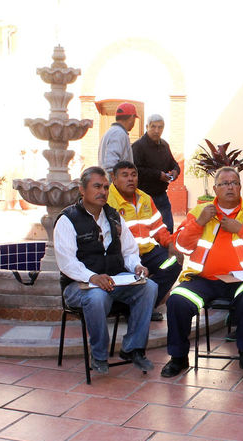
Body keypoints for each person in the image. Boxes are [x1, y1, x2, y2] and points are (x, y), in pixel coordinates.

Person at [161, 167, 243, 377]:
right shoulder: (199, 212)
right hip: (205, 280)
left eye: (234, 183)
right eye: (224, 184)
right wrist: (199, 223)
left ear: (240, 187)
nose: (229, 187)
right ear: (215, 189)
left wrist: (241, 228)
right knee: (177, 299)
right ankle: (178, 357)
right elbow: (181, 246)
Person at [55, 167, 158, 376]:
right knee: (97, 297)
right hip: (78, 285)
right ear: (82, 189)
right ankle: (99, 355)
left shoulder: (113, 216)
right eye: (97, 187)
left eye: (105, 187)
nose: (103, 192)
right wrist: (92, 277)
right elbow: (67, 262)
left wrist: (136, 266)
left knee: (149, 287)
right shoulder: (68, 219)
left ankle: (133, 348)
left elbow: (129, 250)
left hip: (113, 280)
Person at [106, 161, 183, 321]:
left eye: (133, 175)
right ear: (114, 178)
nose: (130, 179)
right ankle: (133, 307)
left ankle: (144, 305)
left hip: (147, 253)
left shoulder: (145, 198)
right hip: (122, 257)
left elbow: (158, 228)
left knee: (173, 263)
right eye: (125, 175)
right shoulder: (107, 200)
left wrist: (170, 244)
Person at [132, 114, 180, 232]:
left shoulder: (164, 145)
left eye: (160, 127)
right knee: (147, 230)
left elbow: (173, 163)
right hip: (144, 196)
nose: (157, 130)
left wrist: (175, 170)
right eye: (153, 127)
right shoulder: (138, 146)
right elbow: (136, 170)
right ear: (147, 127)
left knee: (168, 229)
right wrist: (158, 175)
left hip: (161, 195)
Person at [98, 103, 138, 175]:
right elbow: (110, 166)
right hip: (114, 181)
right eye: (134, 118)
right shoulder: (118, 133)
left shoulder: (111, 131)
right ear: (132, 117)